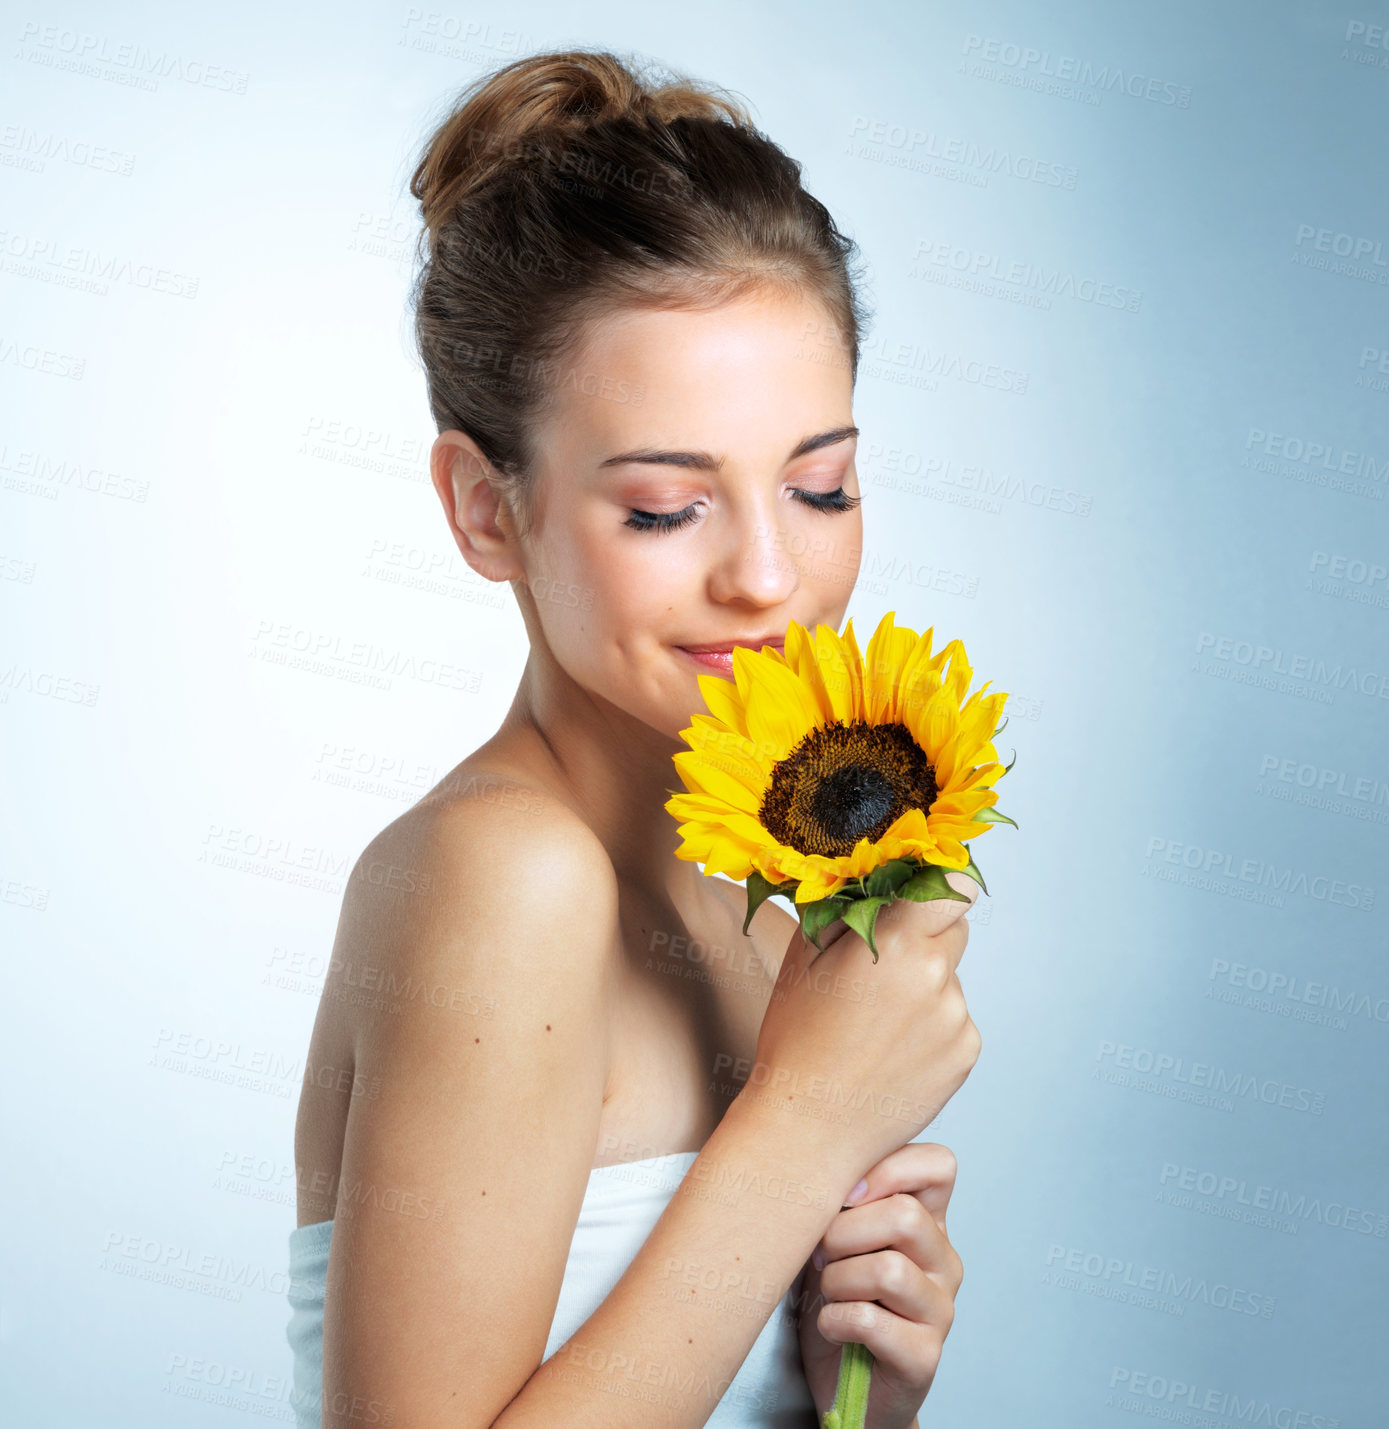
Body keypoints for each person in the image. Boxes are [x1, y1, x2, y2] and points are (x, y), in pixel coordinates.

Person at [286, 46, 981, 1429]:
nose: (770, 577)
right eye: (666, 507)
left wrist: (861, 1392)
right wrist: (801, 1128)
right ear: (487, 509)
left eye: (819, 484)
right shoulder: (504, 877)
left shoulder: (774, 887)